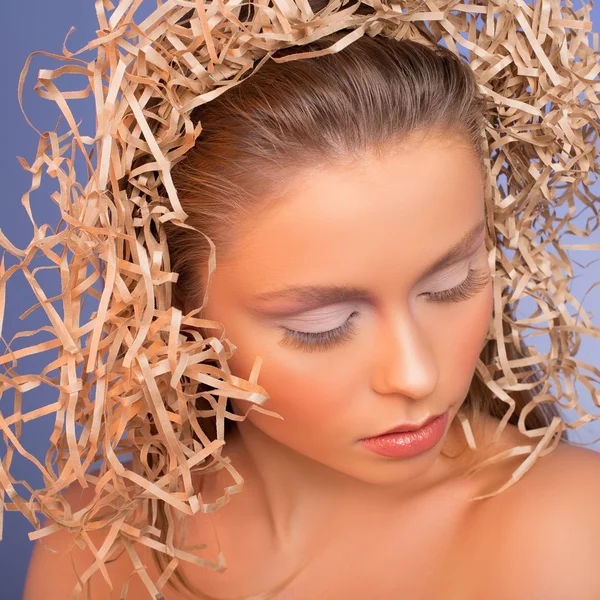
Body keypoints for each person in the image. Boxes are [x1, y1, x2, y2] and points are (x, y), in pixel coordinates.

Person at [12, 1, 600, 599]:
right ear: (178, 315)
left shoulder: (570, 532)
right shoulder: (92, 547)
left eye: (450, 284)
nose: (417, 374)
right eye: (323, 324)